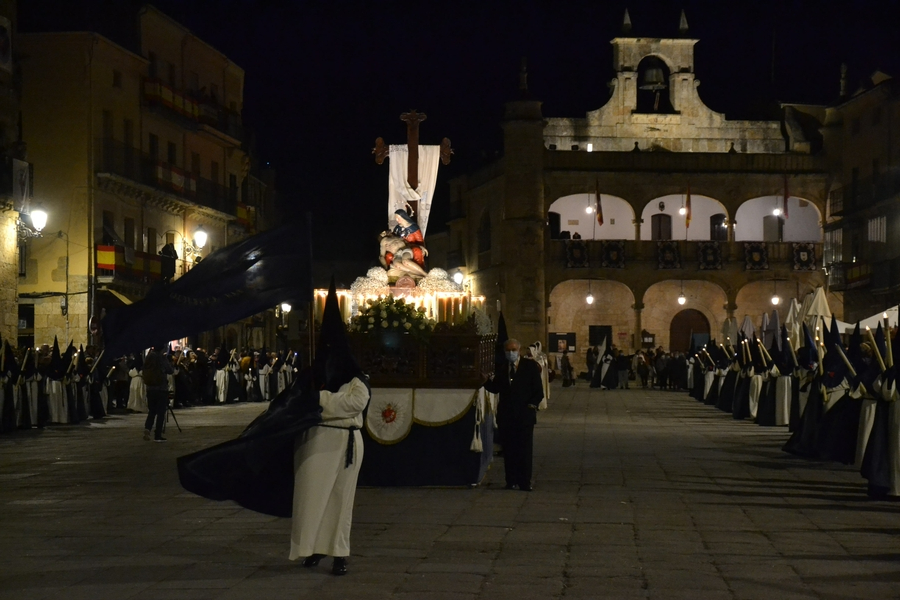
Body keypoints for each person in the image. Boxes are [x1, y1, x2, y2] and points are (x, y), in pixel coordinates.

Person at [291, 343, 371, 576]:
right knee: (313, 498)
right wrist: (326, 402)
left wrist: (320, 401)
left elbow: (355, 403)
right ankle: (315, 548)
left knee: (341, 499)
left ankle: (339, 552)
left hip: (346, 444)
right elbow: (300, 403)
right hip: (316, 441)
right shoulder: (313, 378)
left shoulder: (358, 381)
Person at [484, 338, 543, 491]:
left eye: (513, 350)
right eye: (508, 350)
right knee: (509, 450)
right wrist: (484, 381)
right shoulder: (502, 368)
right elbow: (496, 388)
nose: (511, 353)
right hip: (507, 415)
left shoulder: (529, 366)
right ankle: (510, 480)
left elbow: (538, 391)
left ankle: (525, 481)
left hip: (524, 415)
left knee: (524, 449)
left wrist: (531, 405)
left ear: (519, 350)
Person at [142, 345, 173, 442]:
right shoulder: (161, 358)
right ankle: (158, 435)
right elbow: (170, 370)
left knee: (152, 411)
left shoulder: (148, 357)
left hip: (150, 388)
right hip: (161, 388)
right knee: (160, 412)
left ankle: (147, 428)